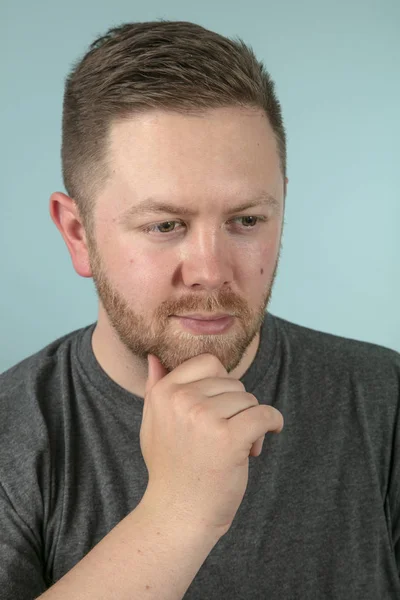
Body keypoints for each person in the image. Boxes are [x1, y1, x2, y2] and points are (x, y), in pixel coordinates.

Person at [0, 19, 399, 600]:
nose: (211, 270)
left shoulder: (385, 401)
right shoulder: (12, 438)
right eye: (166, 225)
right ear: (78, 233)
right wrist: (178, 515)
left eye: (247, 220)